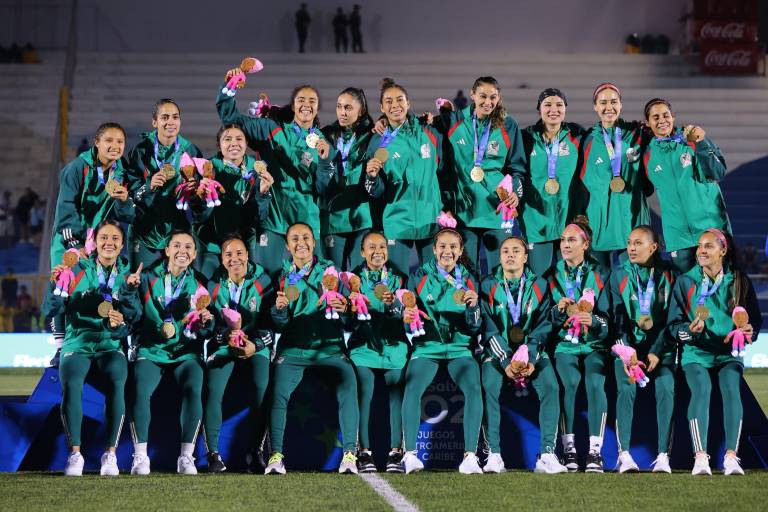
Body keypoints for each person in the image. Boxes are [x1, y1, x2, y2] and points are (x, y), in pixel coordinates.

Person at [41, 220, 142, 476]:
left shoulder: (126, 274)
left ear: (121, 245)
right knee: (72, 383)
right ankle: (75, 455)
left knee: (118, 380)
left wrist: (121, 320)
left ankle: (110, 455)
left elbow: (134, 318)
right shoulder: (75, 270)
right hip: (78, 341)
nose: (109, 243)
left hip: (109, 343)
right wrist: (56, 286)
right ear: (94, 243)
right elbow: (49, 311)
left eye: (115, 239)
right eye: (104, 238)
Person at [264, 222, 359, 475]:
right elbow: (278, 324)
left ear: (314, 242)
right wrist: (280, 310)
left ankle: (350, 455)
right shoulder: (280, 277)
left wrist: (345, 310)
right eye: (294, 239)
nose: (301, 243)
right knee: (278, 394)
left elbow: (351, 319)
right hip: (293, 350)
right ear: (287, 245)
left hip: (330, 350)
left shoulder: (332, 273)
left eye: (306, 237)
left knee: (349, 386)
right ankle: (275, 456)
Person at [668, 229, 761, 476]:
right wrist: (688, 331)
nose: (701, 251)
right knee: (702, 388)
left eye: (708, 246)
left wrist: (750, 330)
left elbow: (755, 319)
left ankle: (731, 457)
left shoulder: (739, 280)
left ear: (723, 250)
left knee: (731, 388)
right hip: (696, 351)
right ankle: (700, 458)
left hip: (728, 351)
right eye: (699, 246)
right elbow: (673, 326)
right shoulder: (685, 281)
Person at [217, 67, 326, 277]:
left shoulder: (323, 142)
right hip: (274, 220)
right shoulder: (271, 129)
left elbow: (323, 186)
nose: (306, 104)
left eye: (312, 101)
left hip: (306, 222)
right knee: (268, 278)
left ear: (318, 107)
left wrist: (326, 160)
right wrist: (229, 87)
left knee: (308, 281)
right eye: (301, 100)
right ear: (293, 105)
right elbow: (231, 118)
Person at [50, 122, 135, 367]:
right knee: (63, 288)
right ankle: (59, 348)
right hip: (69, 237)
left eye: (120, 142)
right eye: (108, 141)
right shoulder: (76, 169)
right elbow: (66, 208)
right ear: (97, 143)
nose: (115, 146)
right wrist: (74, 243)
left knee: (98, 288)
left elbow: (126, 212)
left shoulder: (122, 172)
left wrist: (125, 201)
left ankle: (101, 341)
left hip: (98, 240)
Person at [399, 228, 484, 474]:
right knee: (413, 386)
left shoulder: (469, 279)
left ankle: (470, 456)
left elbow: (475, 325)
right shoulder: (419, 276)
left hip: (459, 348)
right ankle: (410, 455)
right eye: (443, 247)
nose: (448, 251)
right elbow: (409, 315)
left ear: (460, 251)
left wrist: (473, 308)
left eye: (453, 247)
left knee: (474, 388)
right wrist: (408, 318)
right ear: (434, 250)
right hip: (428, 346)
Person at [480, 236, 567, 474]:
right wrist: (507, 361)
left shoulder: (539, 284)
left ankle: (548, 454)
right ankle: (493, 454)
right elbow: (488, 328)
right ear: (498, 257)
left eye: (516, 251)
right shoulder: (487, 285)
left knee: (550, 386)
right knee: (489, 385)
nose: (510, 255)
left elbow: (543, 325)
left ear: (526, 257)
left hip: (532, 351)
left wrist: (530, 356)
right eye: (505, 251)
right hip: (498, 353)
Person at [129, 230, 213, 476]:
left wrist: (207, 322)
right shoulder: (146, 278)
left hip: (186, 351)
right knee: (140, 390)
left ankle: (187, 457)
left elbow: (207, 328)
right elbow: (133, 314)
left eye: (188, 247)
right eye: (176, 245)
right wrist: (127, 292)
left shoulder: (200, 285)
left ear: (195, 254)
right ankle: (140, 457)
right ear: (166, 251)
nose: (182, 251)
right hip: (152, 349)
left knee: (193, 388)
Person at [432, 77, 525, 273]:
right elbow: (418, 125)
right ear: (472, 95)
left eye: (493, 97)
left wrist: (517, 192)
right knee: (468, 274)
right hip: (465, 213)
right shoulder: (455, 121)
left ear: (499, 98)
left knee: (500, 275)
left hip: (497, 213)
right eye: (482, 96)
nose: (488, 102)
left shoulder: (508, 125)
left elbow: (517, 168)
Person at [609, 226, 677, 473]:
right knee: (626, 387)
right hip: (629, 349)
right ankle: (623, 454)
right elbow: (616, 317)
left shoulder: (671, 274)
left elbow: (674, 318)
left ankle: (663, 456)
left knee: (666, 388)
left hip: (662, 348)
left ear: (654, 247)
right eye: (629, 243)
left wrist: (657, 350)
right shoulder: (619, 275)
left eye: (638, 243)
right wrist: (628, 351)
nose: (632, 248)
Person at [203, 235, 273, 473]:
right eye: (228, 254)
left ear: (247, 255)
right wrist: (224, 336)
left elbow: (272, 324)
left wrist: (256, 345)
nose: (235, 259)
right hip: (224, 346)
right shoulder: (212, 286)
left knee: (262, 389)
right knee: (212, 390)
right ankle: (213, 454)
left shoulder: (264, 281)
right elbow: (209, 325)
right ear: (222, 260)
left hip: (254, 346)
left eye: (239, 253)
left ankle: (255, 452)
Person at [547, 216, 611, 472]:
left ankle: (595, 452)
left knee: (596, 382)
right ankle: (569, 449)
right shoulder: (551, 276)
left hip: (595, 344)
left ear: (586, 245)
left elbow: (610, 318)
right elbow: (545, 319)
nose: (565, 245)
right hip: (565, 344)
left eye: (572, 240)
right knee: (570, 382)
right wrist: (558, 312)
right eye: (562, 240)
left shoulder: (602, 273)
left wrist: (594, 321)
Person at [641, 98, 731, 273]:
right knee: (688, 293)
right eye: (656, 117)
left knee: (719, 288)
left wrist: (701, 142)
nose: (662, 121)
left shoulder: (691, 139)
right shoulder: (648, 155)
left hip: (709, 229)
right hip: (678, 237)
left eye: (666, 115)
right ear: (648, 122)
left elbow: (717, 172)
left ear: (673, 117)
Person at [365, 77, 443, 275]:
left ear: (408, 104)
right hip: (397, 221)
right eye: (388, 102)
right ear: (382, 108)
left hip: (430, 220)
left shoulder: (430, 132)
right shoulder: (377, 141)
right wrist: (372, 177)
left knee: (431, 281)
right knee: (397, 282)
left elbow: (445, 172)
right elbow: (376, 191)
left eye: (400, 100)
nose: (395, 105)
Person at [344, 231, 408, 473]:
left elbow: (405, 317)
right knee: (364, 390)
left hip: (394, 346)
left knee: (396, 392)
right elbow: (347, 323)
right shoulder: (351, 280)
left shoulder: (399, 279)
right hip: (363, 347)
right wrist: (349, 309)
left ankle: (395, 452)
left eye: (382, 246)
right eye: (371, 247)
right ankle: (364, 452)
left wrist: (395, 307)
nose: (378, 251)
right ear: (362, 252)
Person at [126, 99, 203, 268]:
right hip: (145, 234)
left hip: (178, 234)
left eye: (175, 117)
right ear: (155, 122)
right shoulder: (141, 151)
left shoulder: (190, 150)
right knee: (142, 288)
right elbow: (130, 193)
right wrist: (148, 185)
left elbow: (200, 199)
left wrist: (195, 190)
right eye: (165, 117)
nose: (171, 122)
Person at [578, 83, 647, 268]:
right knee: (601, 285)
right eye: (603, 102)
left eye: (614, 101)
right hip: (599, 221)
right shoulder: (587, 140)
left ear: (621, 104)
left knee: (633, 282)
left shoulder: (637, 133)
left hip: (631, 220)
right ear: (595, 107)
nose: (609, 107)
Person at [194, 124, 274, 276]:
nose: (234, 143)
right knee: (210, 292)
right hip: (211, 244)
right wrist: (203, 199)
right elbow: (198, 216)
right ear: (219, 145)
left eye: (239, 138)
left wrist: (263, 194)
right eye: (227, 139)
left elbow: (260, 217)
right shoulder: (207, 168)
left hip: (243, 245)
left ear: (246, 143)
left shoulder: (257, 169)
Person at [520, 88, 584, 274]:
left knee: (571, 280)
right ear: (539, 109)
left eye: (559, 105)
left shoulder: (577, 135)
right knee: (541, 279)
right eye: (547, 105)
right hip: (536, 222)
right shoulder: (525, 138)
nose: (553, 109)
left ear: (565, 109)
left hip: (570, 221)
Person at [316, 87, 374, 269]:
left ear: (361, 110)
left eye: (348, 107)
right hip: (332, 217)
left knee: (359, 277)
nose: (342, 112)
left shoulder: (371, 136)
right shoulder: (325, 134)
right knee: (333, 278)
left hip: (361, 216)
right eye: (339, 106)